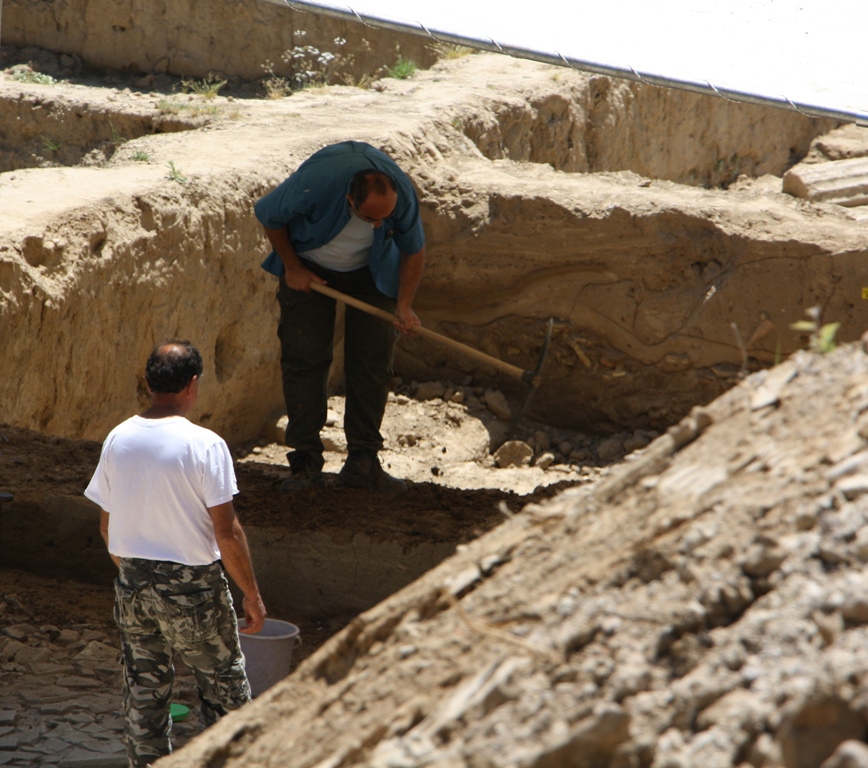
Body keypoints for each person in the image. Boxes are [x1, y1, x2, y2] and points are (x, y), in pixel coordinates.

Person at [85, 340, 267, 768]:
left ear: (149, 384)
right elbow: (227, 531)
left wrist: (136, 573)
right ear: (193, 385)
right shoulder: (205, 444)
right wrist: (252, 595)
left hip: (132, 587)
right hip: (193, 591)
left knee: (145, 699)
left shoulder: (117, 439)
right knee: (226, 696)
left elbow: (106, 525)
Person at [254, 140, 426, 494]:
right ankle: (305, 464)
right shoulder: (316, 183)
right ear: (350, 201)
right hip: (310, 267)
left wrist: (404, 305)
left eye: (385, 218)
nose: (380, 225)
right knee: (305, 359)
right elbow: (268, 213)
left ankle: (363, 462)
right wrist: (292, 267)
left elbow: (414, 248)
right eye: (370, 218)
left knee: (373, 363)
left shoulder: (402, 196)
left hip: (373, 271)